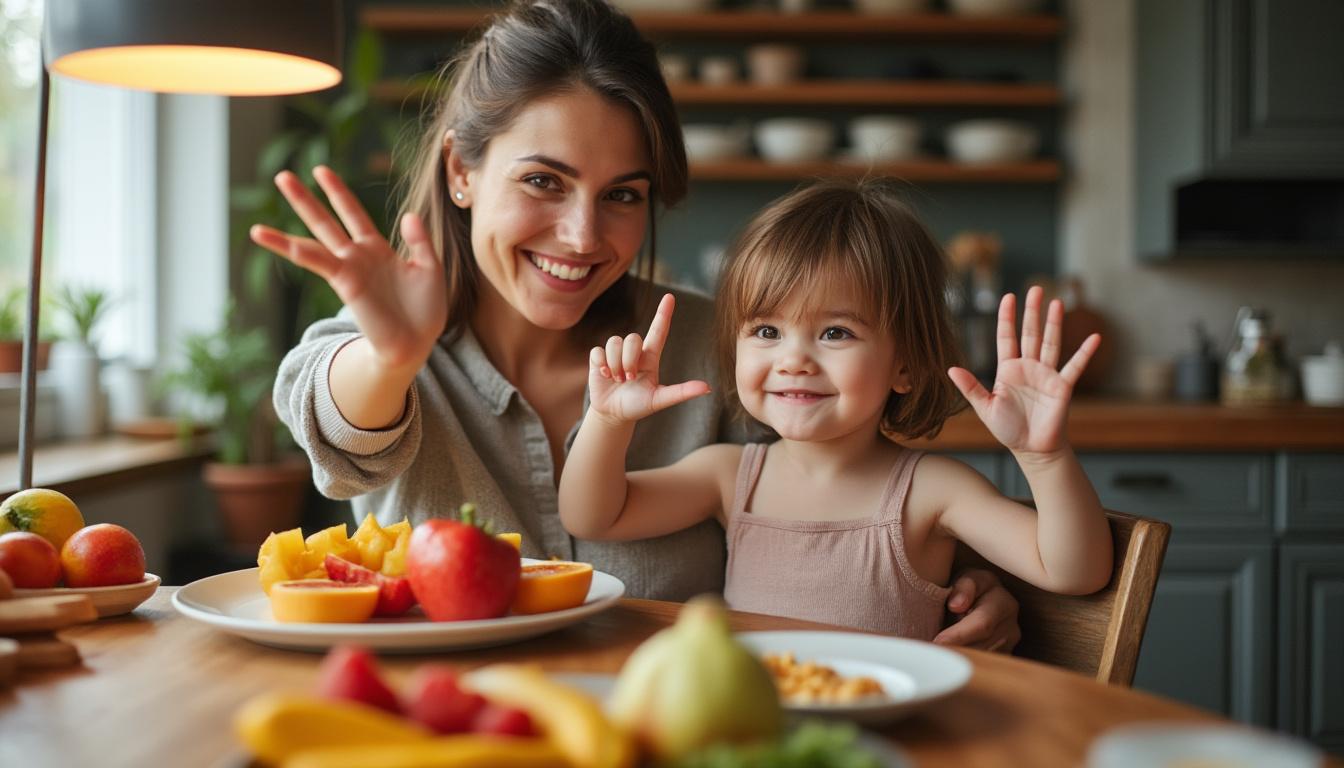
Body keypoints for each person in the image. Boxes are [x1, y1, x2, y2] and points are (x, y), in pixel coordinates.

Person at [253, 0, 1020, 648]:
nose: (584, 235)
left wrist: (951, 583)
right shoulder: (381, 356)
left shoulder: (723, 346)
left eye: (622, 194)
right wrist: (394, 355)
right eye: (544, 181)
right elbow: (340, 422)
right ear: (461, 171)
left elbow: (844, 506)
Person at [559, 179, 1113, 637]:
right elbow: (593, 516)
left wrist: (1043, 458)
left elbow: (1075, 571)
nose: (794, 360)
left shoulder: (933, 491)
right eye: (768, 330)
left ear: (906, 365)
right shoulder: (731, 475)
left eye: (835, 332)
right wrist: (607, 422)